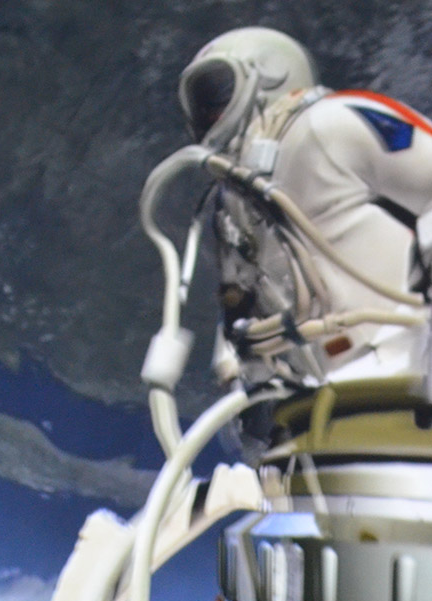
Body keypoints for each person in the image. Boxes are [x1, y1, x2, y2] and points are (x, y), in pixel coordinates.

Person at [178, 26, 432, 386]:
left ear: (270, 73)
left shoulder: (333, 123)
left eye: (218, 93)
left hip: (410, 363)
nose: (210, 115)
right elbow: (241, 312)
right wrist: (249, 384)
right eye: (201, 105)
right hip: (332, 401)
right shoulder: (230, 205)